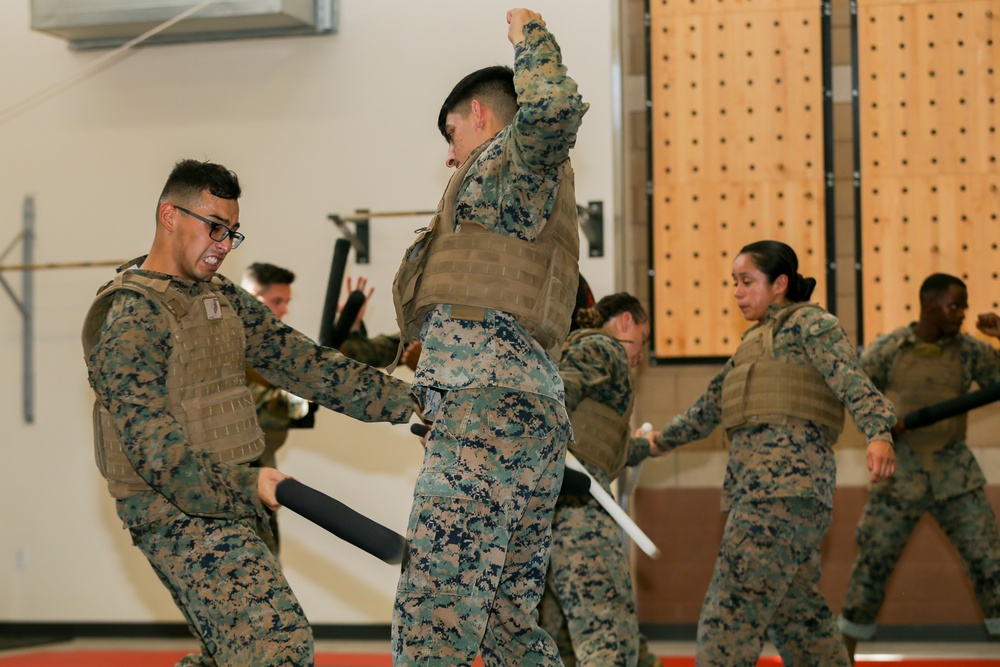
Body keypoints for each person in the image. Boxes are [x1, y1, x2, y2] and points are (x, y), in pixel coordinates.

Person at [82, 159, 419, 667]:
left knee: (236, 655)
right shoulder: (131, 317)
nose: (223, 243)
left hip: (233, 499)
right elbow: (155, 453)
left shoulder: (219, 298)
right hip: (174, 510)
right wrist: (249, 486)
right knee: (276, 648)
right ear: (169, 216)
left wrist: (413, 404)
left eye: (232, 233)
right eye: (214, 227)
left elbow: (305, 364)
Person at [389, 8, 588, 666]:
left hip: (484, 418)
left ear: (479, 114)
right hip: (528, 420)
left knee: (433, 620)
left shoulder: (513, 163)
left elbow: (554, 107)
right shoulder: (518, 192)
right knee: (509, 631)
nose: (450, 153)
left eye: (453, 133)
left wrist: (530, 35)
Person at [638, 240, 896, 667]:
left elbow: (851, 380)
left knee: (730, 614)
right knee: (798, 616)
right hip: (765, 492)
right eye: (734, 283)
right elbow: (709, 408)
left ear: (780, 283)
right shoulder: (752, 343)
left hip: (781, 491)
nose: (737, 292)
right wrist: (654, 444)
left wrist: (878, 431)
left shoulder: (810, 324)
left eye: (747, 281)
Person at [838, 274, 1000, 661]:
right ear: (930, 304)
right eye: (955, 305)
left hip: (955, 473)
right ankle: (840, 659)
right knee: (870, 569)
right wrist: (881, 422)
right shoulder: (888, 349)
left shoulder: (971, 352)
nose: (962, 314)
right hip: (899, 477)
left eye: (963, 305)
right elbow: (854, 392)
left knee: (991, 565)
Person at [538, 293, 658, 667]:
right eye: (643, 337)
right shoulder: (602, 348)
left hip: (557, 505)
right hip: (580, 511)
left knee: (555, 640)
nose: (641, 353)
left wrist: (643, 446)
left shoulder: (598, 357)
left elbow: (600, 448)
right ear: (625, 322)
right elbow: (555, 395)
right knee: (606, 635)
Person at [240, 261, 312, 558]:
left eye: (286, 302)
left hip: (262, 477)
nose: (283, 310)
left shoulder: (272, 347)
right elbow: (251, 404)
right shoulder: (230, 346)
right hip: (234, 484)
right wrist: (300, 398)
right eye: (276, 301)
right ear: (253, 299)